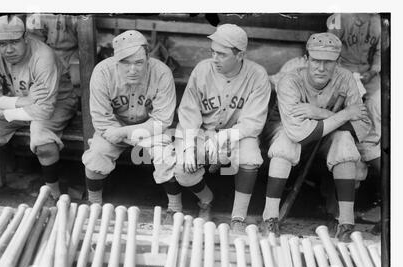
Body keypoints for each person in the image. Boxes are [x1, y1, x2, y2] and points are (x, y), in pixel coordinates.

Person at [261, 32, 371, 242]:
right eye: (316, 60)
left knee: (345, 142)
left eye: (328, 62)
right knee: (286, 142)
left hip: (323, 137)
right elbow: (298, 133)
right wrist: (345, 115)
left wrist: (321, 113)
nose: (321, 68)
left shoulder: (346, 78)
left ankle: (345, 222)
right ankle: (270, 217)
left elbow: (362, 128)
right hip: (283, 133)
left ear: (337, 62)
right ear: (306, 59)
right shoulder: (290, 80)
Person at [173, 24, 271, 233]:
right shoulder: (202, 69)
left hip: (238, 134)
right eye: (213, 52)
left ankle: (238, 217)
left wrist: (226, 136)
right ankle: (206, 200)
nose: (215, 58)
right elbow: (189, 113)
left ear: (240, 55)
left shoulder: (257, 75)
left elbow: (252, 123)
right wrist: (189, 146)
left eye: (222, 54)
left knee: (251, 157)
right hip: (203, 132)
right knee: (182, 168)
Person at [0, 15, 77, 200]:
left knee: (42, 140)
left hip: (58, 103)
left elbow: (44, 109)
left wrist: (5, 109)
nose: (8, 49)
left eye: (15, 42)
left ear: (26, 38)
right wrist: (20, 102)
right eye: (2, 44)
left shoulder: (43, 55)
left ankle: (53, 193)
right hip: (20, 102)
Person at [82, 30, 180, 211]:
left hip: (149, 128)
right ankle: (94, 202)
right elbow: (102, 121)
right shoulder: (102, 72)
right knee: (97, 154)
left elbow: (162, 120)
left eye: (138, 62)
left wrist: (124, 133)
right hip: (113, 126)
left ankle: (175, 208)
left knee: (165, 156)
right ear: (115, 59)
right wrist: (122, 133)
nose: (132, 69)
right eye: (125, 63)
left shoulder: (162, 73)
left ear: (148, 58)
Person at [327, 13, 382, 234]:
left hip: (369, 76)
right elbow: (329, 52)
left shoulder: (379, 19)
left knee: (376, 110)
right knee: (344, 138)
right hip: (342, 73)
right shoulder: (339, 16)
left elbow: (382, 54)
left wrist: (372, 71)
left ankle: (383, 205)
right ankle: (335, 208)